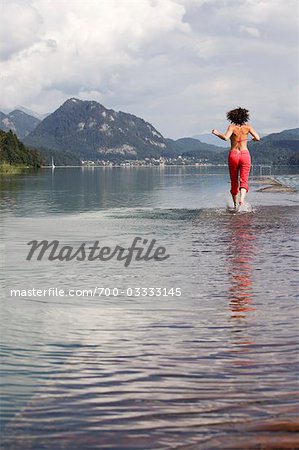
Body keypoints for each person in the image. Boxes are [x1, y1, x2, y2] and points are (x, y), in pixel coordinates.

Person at [212, 107, 260, 209]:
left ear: (232, 117)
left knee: (234, 180)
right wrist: (254, 139)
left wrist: (216, 133)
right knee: (244, 180)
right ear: (245, 117)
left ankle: (235, 205)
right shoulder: (248, 127)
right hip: (245, 154)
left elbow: (225, 138)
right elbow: (258, 138)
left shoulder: (231, 127)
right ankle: (242, 200)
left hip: (234, 155)